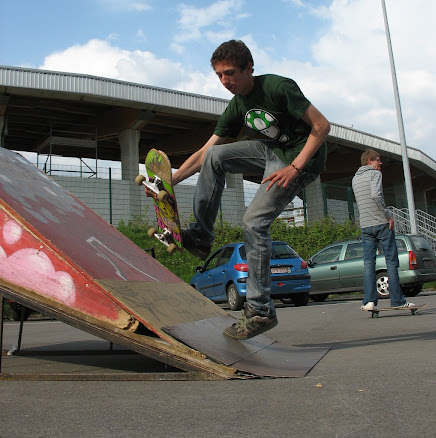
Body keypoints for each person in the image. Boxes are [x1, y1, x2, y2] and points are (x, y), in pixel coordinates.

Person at [151, 39, 330, 340]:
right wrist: (169, 183)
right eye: (220, 75)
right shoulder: (236, 107)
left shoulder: (278, 87)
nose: (225, 81)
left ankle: (260, 310)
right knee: (215, 156)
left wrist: (296, 167)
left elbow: (322, 126)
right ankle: (201, 236)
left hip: (302, 159)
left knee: (253, 223)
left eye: (231, 73)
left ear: (249, 68)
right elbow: (204, 152)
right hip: (270, 151)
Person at [352, 149, 414, 311]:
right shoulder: (375, 174)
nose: (380, 163)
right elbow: (376, 195)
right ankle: (398, 301)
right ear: (369, 161)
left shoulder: (355, 179)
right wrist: (388, 216)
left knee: (368, 263)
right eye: (378, 160)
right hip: (381, 223)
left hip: (365, 226)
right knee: (391, 262)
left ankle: (369, 301)